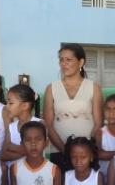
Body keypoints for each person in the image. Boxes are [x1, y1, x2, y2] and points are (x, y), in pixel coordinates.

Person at [44, 43, 103, 171]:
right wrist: (65, 150)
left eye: (69, 60)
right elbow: (48, 124)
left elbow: (98, 123)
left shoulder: (94, 87)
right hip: (59, 151)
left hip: (86, 154)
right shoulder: (51, 88)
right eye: (61, 60)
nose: (64, 63)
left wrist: (87, 148)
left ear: (81, 62)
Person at [0, 83, 42, 165]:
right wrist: (27, 151)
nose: (7, 106)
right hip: (12, 176)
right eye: (6, 102)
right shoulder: (11, 127)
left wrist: (12, 147)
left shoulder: (40, 124)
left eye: (11, 103)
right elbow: (3, 155)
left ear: (24, 106)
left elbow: (37, 151)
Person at [96, 94, 115, 180]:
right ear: (104, 112)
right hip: (104, 177)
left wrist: (107, 154)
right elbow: (99, 154)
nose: (111, 113)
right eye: (108, 109)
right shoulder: (100, 132)